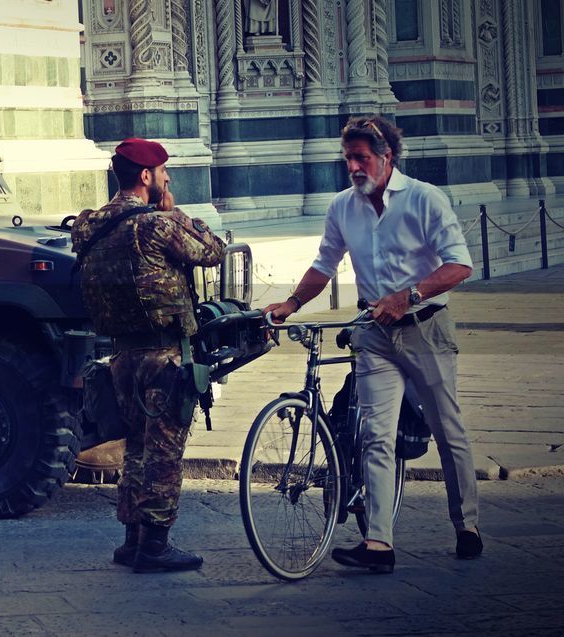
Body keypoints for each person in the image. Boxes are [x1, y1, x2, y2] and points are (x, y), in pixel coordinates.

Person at [265, 115, 481, 573]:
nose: (354, 167)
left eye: (362, 158)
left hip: (425, 326)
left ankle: (467, 524)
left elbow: (460, 265)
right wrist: (291, 302)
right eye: (348, 159)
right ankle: (379, 543)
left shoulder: (424, 199)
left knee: (448, 430)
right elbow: (324, 265)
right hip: (373, 333)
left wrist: (410, 295)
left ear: (387, 158)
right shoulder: (343, 207)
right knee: (373, 437)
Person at [72, 138, 226, 572]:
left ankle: (131, 540)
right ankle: (155, 545)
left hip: (121, 357)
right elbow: (211, 252)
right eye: (163, 171)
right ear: (145, 177)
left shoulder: (90, 225)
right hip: (164, 356)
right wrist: (174, 212)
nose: (167, 177)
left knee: (137, 448)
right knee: (163, 452)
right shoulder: (156, 225)